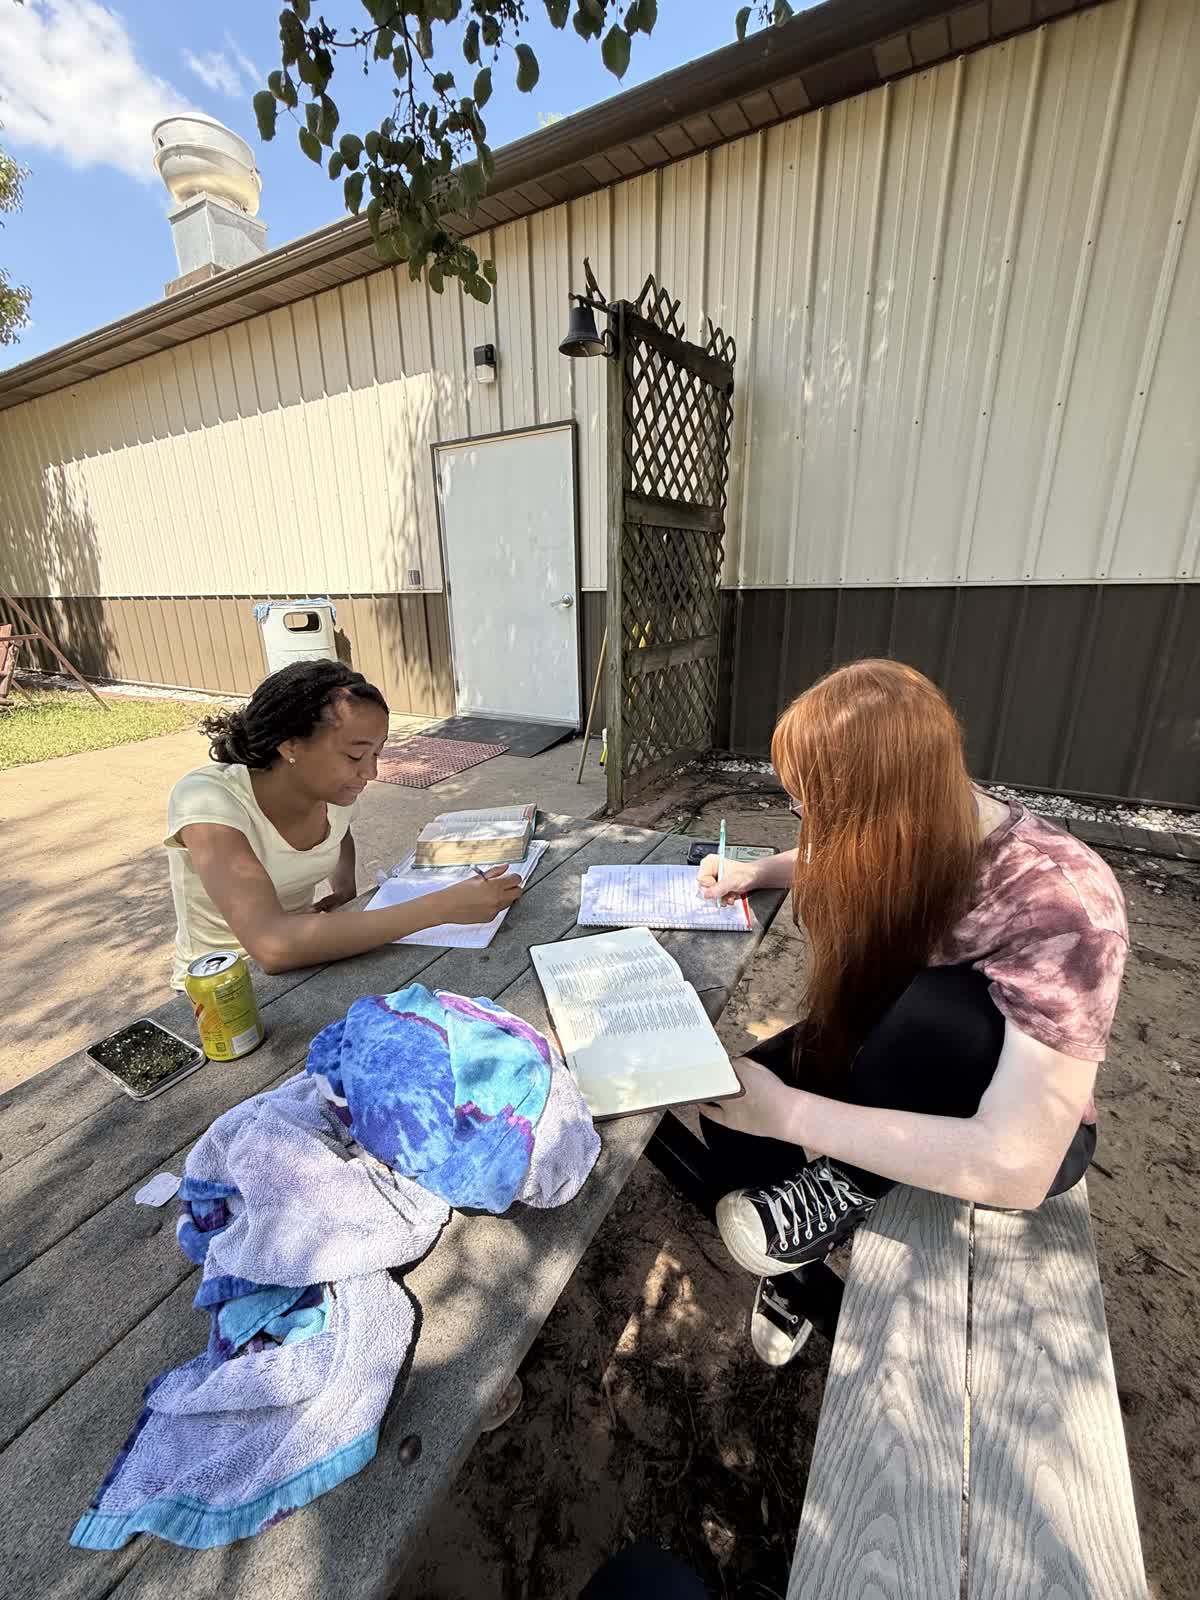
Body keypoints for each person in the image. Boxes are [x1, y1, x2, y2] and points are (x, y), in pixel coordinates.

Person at [696, 659, 1127, 1366]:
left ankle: (844, 1187)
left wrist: (792, 1116)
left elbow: (1019, 1165)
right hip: (890, 1050)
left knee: (941, 1005)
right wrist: (759, 870)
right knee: (730, 1097)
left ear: (886, 804)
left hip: (1001, 1115)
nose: (807, 825)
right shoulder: (917, 822)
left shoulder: (1062, 904)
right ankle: (799, 1263)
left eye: (813, 808)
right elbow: (838, 847)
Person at [165, 659, 521, 988]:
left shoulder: (332, 793)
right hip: (221, 989)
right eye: (355, 755)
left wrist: (345, 888)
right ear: (290, 745)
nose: (371, 772)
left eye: (377, 753)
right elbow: (271, 946)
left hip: (311, 957)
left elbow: (340, 831)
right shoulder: (207, 800)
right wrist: (442, 907)